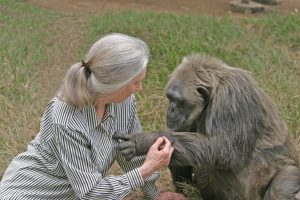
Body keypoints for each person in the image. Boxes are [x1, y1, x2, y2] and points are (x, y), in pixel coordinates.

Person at [0, 33, 186, 200]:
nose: (140, 88)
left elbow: (129, 149)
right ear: (114, 84)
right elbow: (91, 193)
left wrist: (154, 194)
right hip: (31, 192)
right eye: (136, 82)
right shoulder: (65, 118)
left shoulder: (125, 102)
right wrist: (147, 168)